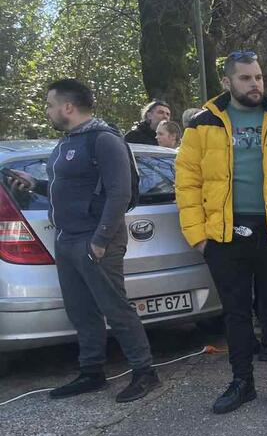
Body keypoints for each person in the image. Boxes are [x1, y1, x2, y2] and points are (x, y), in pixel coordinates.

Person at [176, 50, 267, 413]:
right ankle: (242, 383)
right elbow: (187, 183)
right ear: (227, 82)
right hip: (223, 238)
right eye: (245, 78)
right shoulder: (202, 125)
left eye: (258, 77)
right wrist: (200, 237)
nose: (255, 84)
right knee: (235, 315)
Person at [9, 79, 159, 402]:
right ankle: (92, 372)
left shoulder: (104, 140)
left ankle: (145, 371)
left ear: (68, 107)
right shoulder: (66, 143)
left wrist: (100, 239)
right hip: (66, 239)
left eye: (50, 105)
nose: (47, 111)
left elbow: (120, 193)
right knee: (81, 311)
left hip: (95, 241)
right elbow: (71, 188)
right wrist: (35, 184)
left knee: (115, 308)